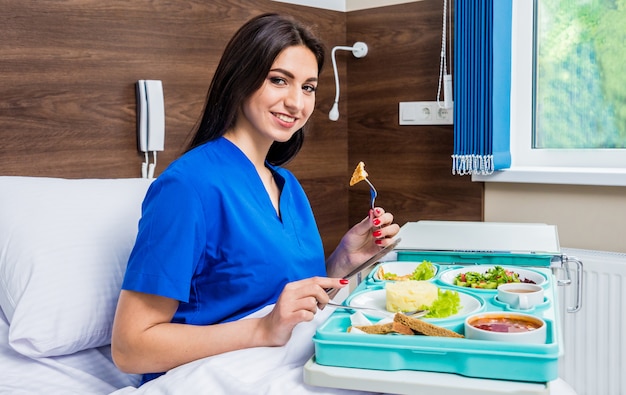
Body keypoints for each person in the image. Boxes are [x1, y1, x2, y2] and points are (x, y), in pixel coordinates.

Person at [111, 13, 400, 385]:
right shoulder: (186, 187)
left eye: (308, 87)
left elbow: (280, 302)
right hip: (211, 375)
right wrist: (262, 330)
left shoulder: (287, 185)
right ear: (240, 78)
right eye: (279, 80)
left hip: (291, 359)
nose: (296, 103)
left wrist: (341, 262)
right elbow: (130, 347)